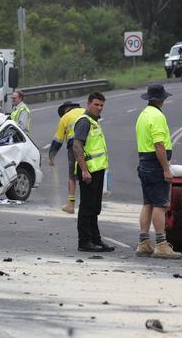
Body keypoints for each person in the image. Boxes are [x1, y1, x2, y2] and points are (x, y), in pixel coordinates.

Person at [135, 83, 182, 259]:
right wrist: (166, 169)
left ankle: (144, 242)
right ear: (161, 99)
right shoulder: (157, 116)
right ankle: (161, 244)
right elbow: (159, 144)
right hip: (155, 164)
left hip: (144, 162)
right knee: (160, 205)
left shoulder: (143, 115)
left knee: (148, 203)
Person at [72, 92, 114, 252]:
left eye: (102, 105)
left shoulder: (94, 121)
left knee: (95, 207)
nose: (99, 108)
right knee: (87, 207)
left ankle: (96, 239)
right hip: (88, 172)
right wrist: (84, 170)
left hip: (97, 170)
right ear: (88, 104)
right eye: (96, 105)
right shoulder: (84, 122)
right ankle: (84, 241)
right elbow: (77, 146)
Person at [49, 101, 83, 214]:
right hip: (92, 145)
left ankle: (71, 205)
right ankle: (87, 202)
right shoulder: (86, 112)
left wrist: (51, 157)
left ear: (65, 109)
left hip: (74, 146)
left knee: (72, 176)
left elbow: (57, 141)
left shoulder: (65, 117)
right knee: (88, 174)